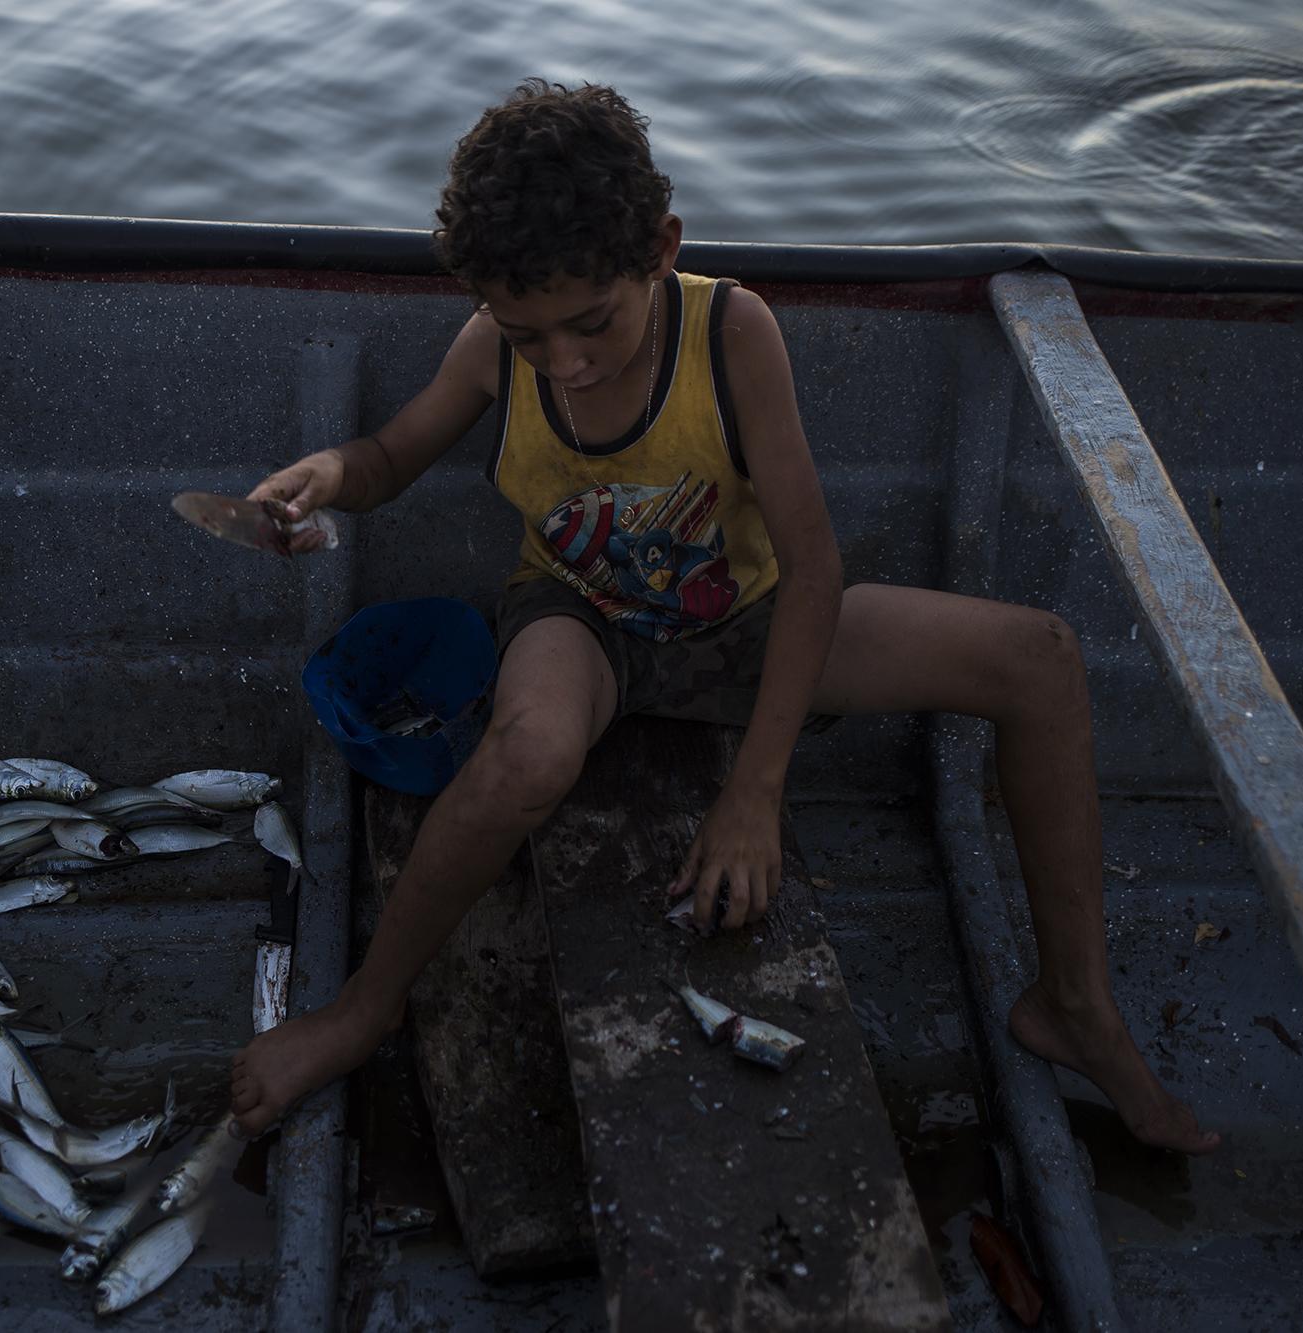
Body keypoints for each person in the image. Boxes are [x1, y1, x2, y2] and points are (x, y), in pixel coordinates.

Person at [228, 79, 1218, 1156]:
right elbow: (385, 460)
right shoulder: (489, 346)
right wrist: (325, 474)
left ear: (660, 247)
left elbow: (812, 565)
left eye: (590, 322)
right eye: (528, 334)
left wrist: (753, 792)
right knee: (526, 756)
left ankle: (1074, 1004)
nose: (562, 360)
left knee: (1038, 657)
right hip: (581, 616)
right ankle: (362, 1008)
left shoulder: (729, 333)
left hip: (744, 617)